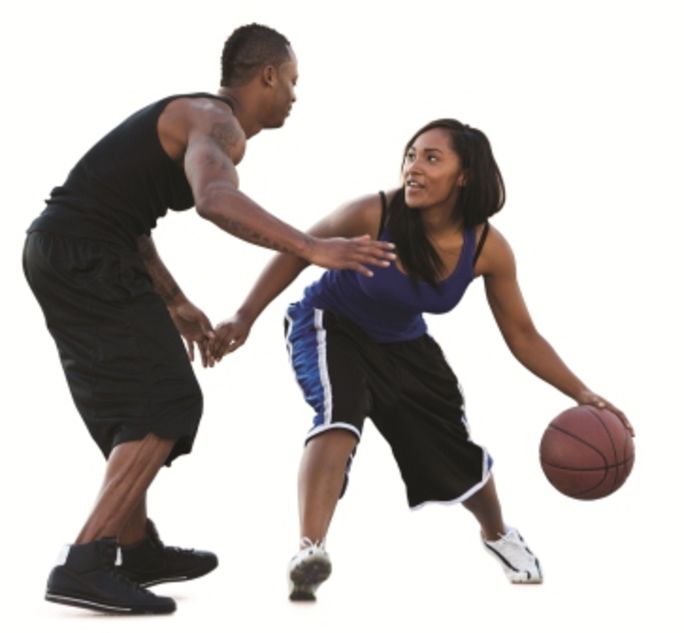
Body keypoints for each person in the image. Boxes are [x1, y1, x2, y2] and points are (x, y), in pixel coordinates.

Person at [22, 23, 395, 615]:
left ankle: (136, 549)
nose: (295, 96)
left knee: (129, 407)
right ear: (267, 75)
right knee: (167, 400)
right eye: (292, 82)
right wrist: (313, 247)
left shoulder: (189, 118)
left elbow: (131, 219)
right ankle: (85, 562)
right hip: (86, 251)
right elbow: (214, 199)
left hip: (64, 249)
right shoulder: (217, 121)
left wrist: (174, 301)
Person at [210, 118, 634, 599]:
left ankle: (498, 535)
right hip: (330, 322)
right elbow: (298, 250)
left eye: (431, 158)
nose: (413, 167)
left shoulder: (487, 250)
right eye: (411, 155)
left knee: (449, 448)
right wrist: (244, 316)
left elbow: (523, 334)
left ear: (464, 176)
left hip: (406, 344)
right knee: (339, 415)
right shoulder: (374, 212)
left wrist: (582, 392)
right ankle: (309, 551)